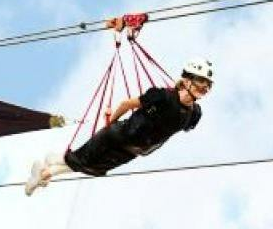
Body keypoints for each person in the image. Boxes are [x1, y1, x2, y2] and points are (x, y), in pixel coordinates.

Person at [24, 59, 213, 195]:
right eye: (201, 82)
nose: (204, 88)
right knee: (79, 161)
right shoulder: (162, 96)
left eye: (207, 85)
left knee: (94, 169)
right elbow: (126, 104)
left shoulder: (194, 114)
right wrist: (111, 122)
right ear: (187, 80)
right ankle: (44, 174)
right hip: (117, 135)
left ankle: (47, 169)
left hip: (133, 150)